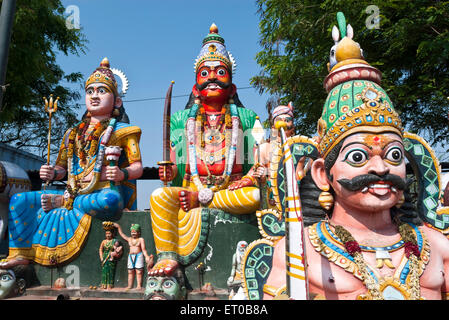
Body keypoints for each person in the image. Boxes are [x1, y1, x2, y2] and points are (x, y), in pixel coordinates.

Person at [265, 12, 449, 300]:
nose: (380, 168)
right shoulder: (299, 251)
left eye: (394, 155)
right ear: (322, 174)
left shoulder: (438, 247)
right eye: (358, 158)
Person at [0, 58, 143, 269]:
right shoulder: (72, 133)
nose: (94, 96)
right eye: (90, 91)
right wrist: (51, 172)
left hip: (101, 192)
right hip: (73, 192)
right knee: (19, 200)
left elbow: (137, 167)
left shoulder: (124, 131)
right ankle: (20, 253)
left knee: (110, 200)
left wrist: (121, 174)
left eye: (102, 91)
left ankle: (64, 204)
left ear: (117, 101)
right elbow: (62, 169)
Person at [149, 24, 263, 273]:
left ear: (232, 87)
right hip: (190, 187)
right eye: (205, 73)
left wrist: (248, 179)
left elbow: (262, 158)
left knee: (254, 196)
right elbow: (174, 165)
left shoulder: (247, 117)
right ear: (195, 88)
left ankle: (205, 202)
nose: (212, 77)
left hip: (230, 190)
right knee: (158, 197)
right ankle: (167, 256)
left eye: (220, 72)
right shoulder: (181, 120)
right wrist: (169, 174)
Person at [114, 222, 153, 290]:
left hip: (138, 256)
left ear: (138, 233)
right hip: (130, 256)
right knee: (130, 271)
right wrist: (118, 227)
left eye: (135, 232)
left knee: (139, 271)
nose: (133, 234)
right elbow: (122, 235)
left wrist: (146, 256)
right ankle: (130, 285)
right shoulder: (129, 239)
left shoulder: (141, 239)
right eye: (132, 232)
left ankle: (138, 286)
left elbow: (143, 249)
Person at [99, 221, 122, 290]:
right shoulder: (104, 241)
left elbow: (118, 248)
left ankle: (110, 284)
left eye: (109, 233)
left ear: (112, 234)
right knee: (104, 271)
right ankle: (104, 284)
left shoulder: (114, 241)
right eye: (106, 234)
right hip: (105, 257)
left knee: (110, 271)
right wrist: (101, 257)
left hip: (111, 257)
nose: (108, 235)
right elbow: (100, 249)